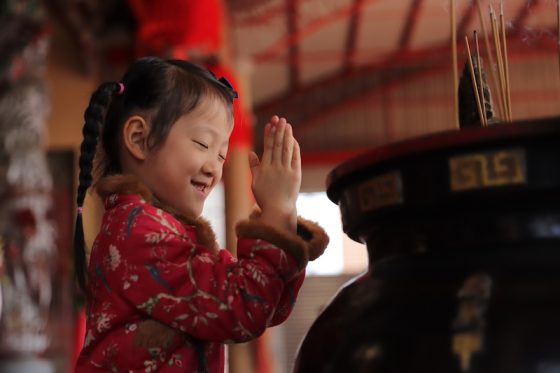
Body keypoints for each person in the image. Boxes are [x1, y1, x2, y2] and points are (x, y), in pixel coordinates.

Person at [73, 56, 329, 372]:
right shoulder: (137, 232)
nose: (214, 167)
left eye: (221, 155)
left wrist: (284, 217)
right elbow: (242, 308)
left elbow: (267, 304)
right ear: (139, 139)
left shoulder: (167, 232)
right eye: (202, 144)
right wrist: (276, 212)